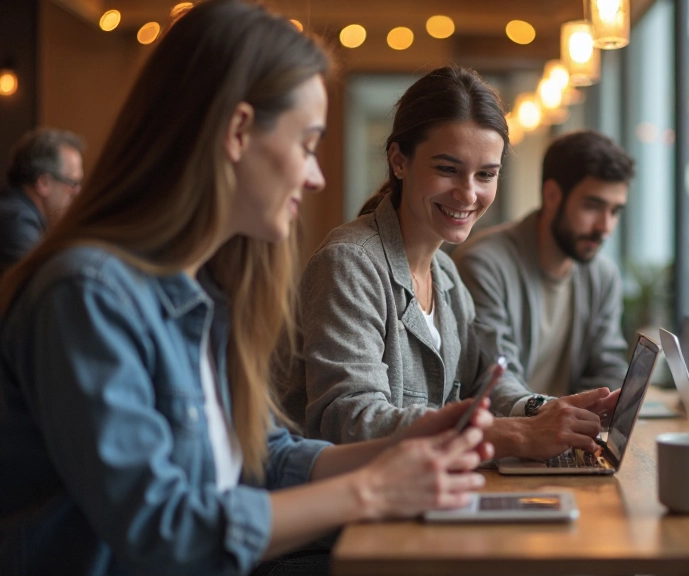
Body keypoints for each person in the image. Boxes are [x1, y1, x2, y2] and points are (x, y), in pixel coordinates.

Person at [0, 2, 493, 575]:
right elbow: (164, 529)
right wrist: (372, 490)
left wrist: (401, 445)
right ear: (237, 132)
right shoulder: (86, 295)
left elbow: (262, 458)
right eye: (307, 145)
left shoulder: (204, 289)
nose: (317, 177)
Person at [278, 66, 619, 461]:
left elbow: (486, 379)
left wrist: (542, 409)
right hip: (347, 512)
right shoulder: (350, 263)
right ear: (399, 161)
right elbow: (349, 419)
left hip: (418, 493)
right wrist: (512, 435)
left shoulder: (446, 273)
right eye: (447, 169)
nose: (468, 193)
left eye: (486, 175)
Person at [452, 130, 633, 398]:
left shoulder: (603, 275)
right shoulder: (484, 264)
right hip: (503, 433)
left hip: (569, 433)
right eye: (593, 206)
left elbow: (608, 365)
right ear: (552, 195)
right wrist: (557, 416)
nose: (604, 227)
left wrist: (588, 415)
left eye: (615, 211)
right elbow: (495, 378)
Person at [0, 127, 84, 275]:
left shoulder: (18, 211)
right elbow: (45, 285)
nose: (77, 192)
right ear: (43, 183)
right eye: (72, 183)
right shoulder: (16, 221)